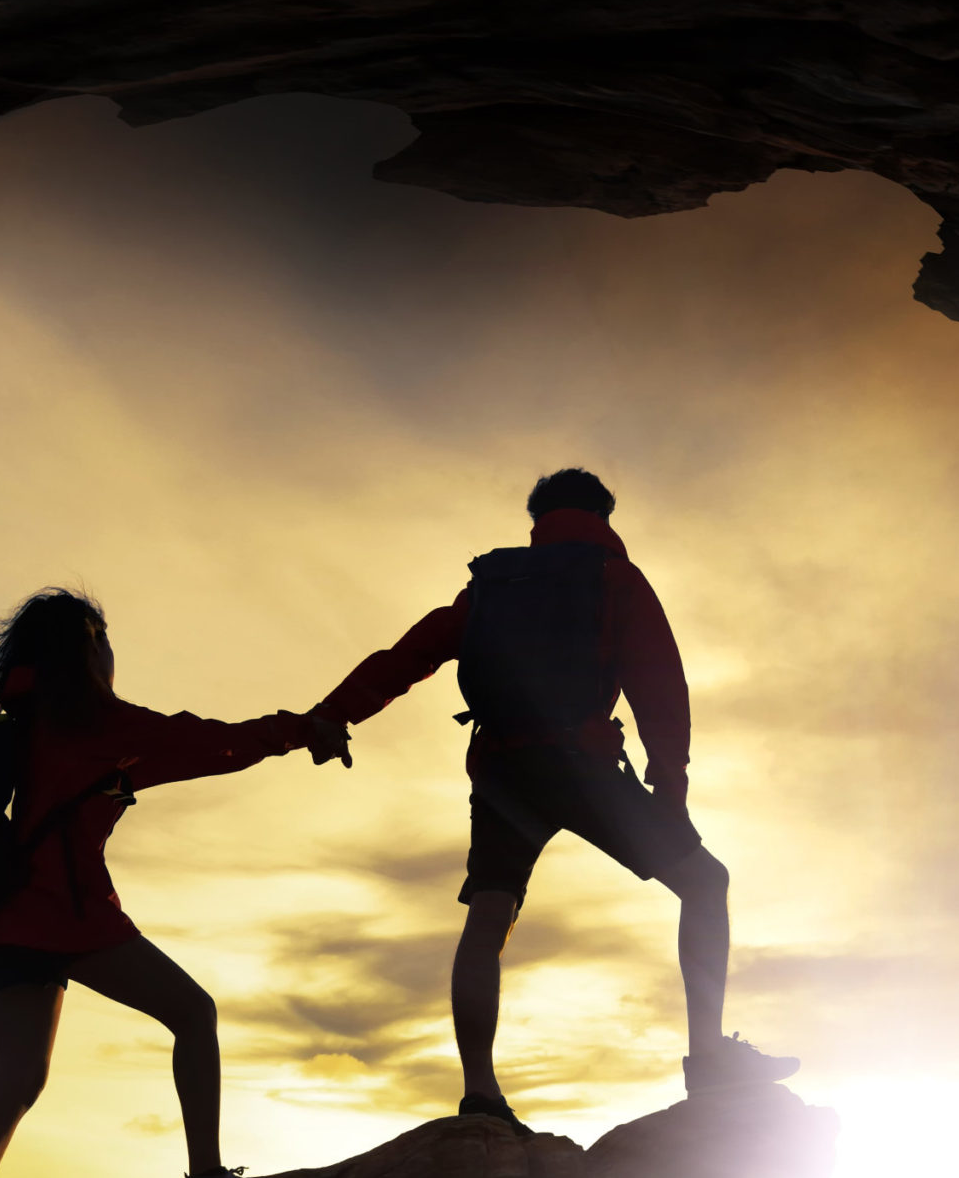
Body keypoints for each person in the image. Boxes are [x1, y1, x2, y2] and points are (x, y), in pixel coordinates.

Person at [315, 469, 797, 1134]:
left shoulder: (490, 587)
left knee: (489, 915)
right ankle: (708, 1059)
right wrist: (670, 785)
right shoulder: (612, 576)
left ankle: (480, 1093)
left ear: (536, 520)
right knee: (705, 883)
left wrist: (331, 716)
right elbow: (660, 684)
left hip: (504, 768)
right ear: (603, 514)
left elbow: (406, 656)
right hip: (584, 764)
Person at [0, 589, 350, 1178]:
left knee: (14, 1085)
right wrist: (304, 729)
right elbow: (215, 745)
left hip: (6, 925)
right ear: (91, 649)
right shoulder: (100, 727)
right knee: (193, 1013)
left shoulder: (31, 720)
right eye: (105, 639)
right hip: (63, 916)